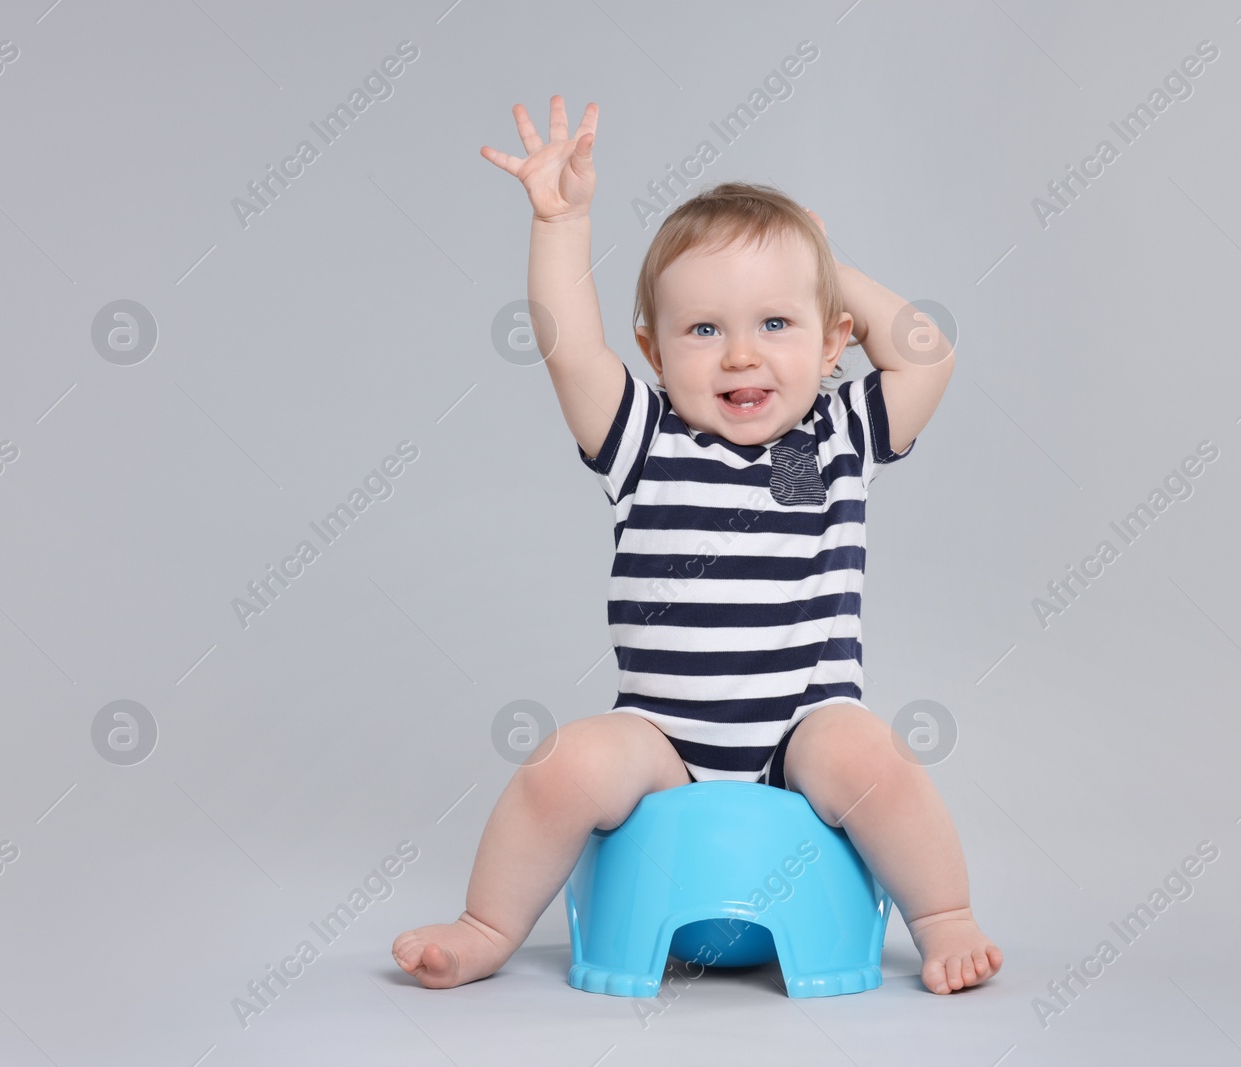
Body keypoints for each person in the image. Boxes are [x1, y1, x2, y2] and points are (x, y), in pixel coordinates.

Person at [393, 96, 1001, 996]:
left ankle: (944, 917)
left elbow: (928, 353)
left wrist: (826, 268)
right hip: (663, 738)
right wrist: (562, 222)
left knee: (874, 756)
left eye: (777, 324)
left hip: (802, 729)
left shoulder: (834, 439)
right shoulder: (645, 438)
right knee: (561, 766)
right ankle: (486, 925)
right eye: (704, 329)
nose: (740, 356)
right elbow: (567, 346)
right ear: (655, 348)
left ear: (835, 341)